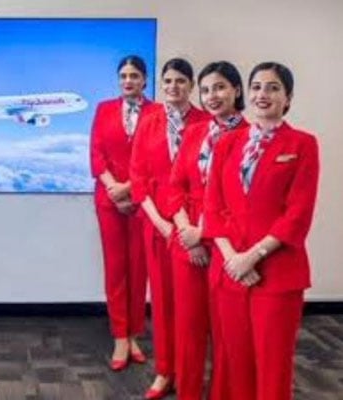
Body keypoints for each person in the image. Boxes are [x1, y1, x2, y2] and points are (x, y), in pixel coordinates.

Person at [204, 62, 319, 400]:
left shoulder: (303, 144)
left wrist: (252, 257)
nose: (262, 94)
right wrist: (233, 260)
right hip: (230, 274)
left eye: (272, 88)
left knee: (272, 364)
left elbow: (297, 215)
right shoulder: (227, 143)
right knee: (235, 360)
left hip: (276, 273)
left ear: (288, 97)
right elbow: (213, 208)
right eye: (256, 87)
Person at [130, 58, 210, 399]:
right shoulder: (149, 122)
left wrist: (193, 229)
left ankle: (192, 377)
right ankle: (165, 372)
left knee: (193, 310)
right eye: (167, 82)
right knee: (161, 304)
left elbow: (215, 181)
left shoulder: (208, 122)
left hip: (197, 229)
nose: (173, 87)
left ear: (191, 86)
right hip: (158, 225)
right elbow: (137, 179)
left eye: (180, 81)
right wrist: (162, 224)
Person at [167, 61, 248, 400]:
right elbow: (174, 187)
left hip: (230, 245)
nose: (212, 96)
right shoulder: (196, 132)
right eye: (206, 90)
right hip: (187, 241)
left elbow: (247, 202)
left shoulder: (251, 137)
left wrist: (205, 234)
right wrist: (187, 231)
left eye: (220, 88)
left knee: (228, 333)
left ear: (237, 91)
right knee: (188, 330)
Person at [89, 55, 158, 371]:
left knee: (139, 268)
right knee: (116, 268)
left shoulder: (157, 112)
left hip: (143, 201)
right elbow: (96, 153)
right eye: (123, 76)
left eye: (134, 76)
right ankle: (119, 335)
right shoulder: (104, 109)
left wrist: (130, 187)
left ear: (145, 80)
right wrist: (114, 188)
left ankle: (134, 334)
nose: (128, 81)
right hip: (109, 200)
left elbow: (157, 158)